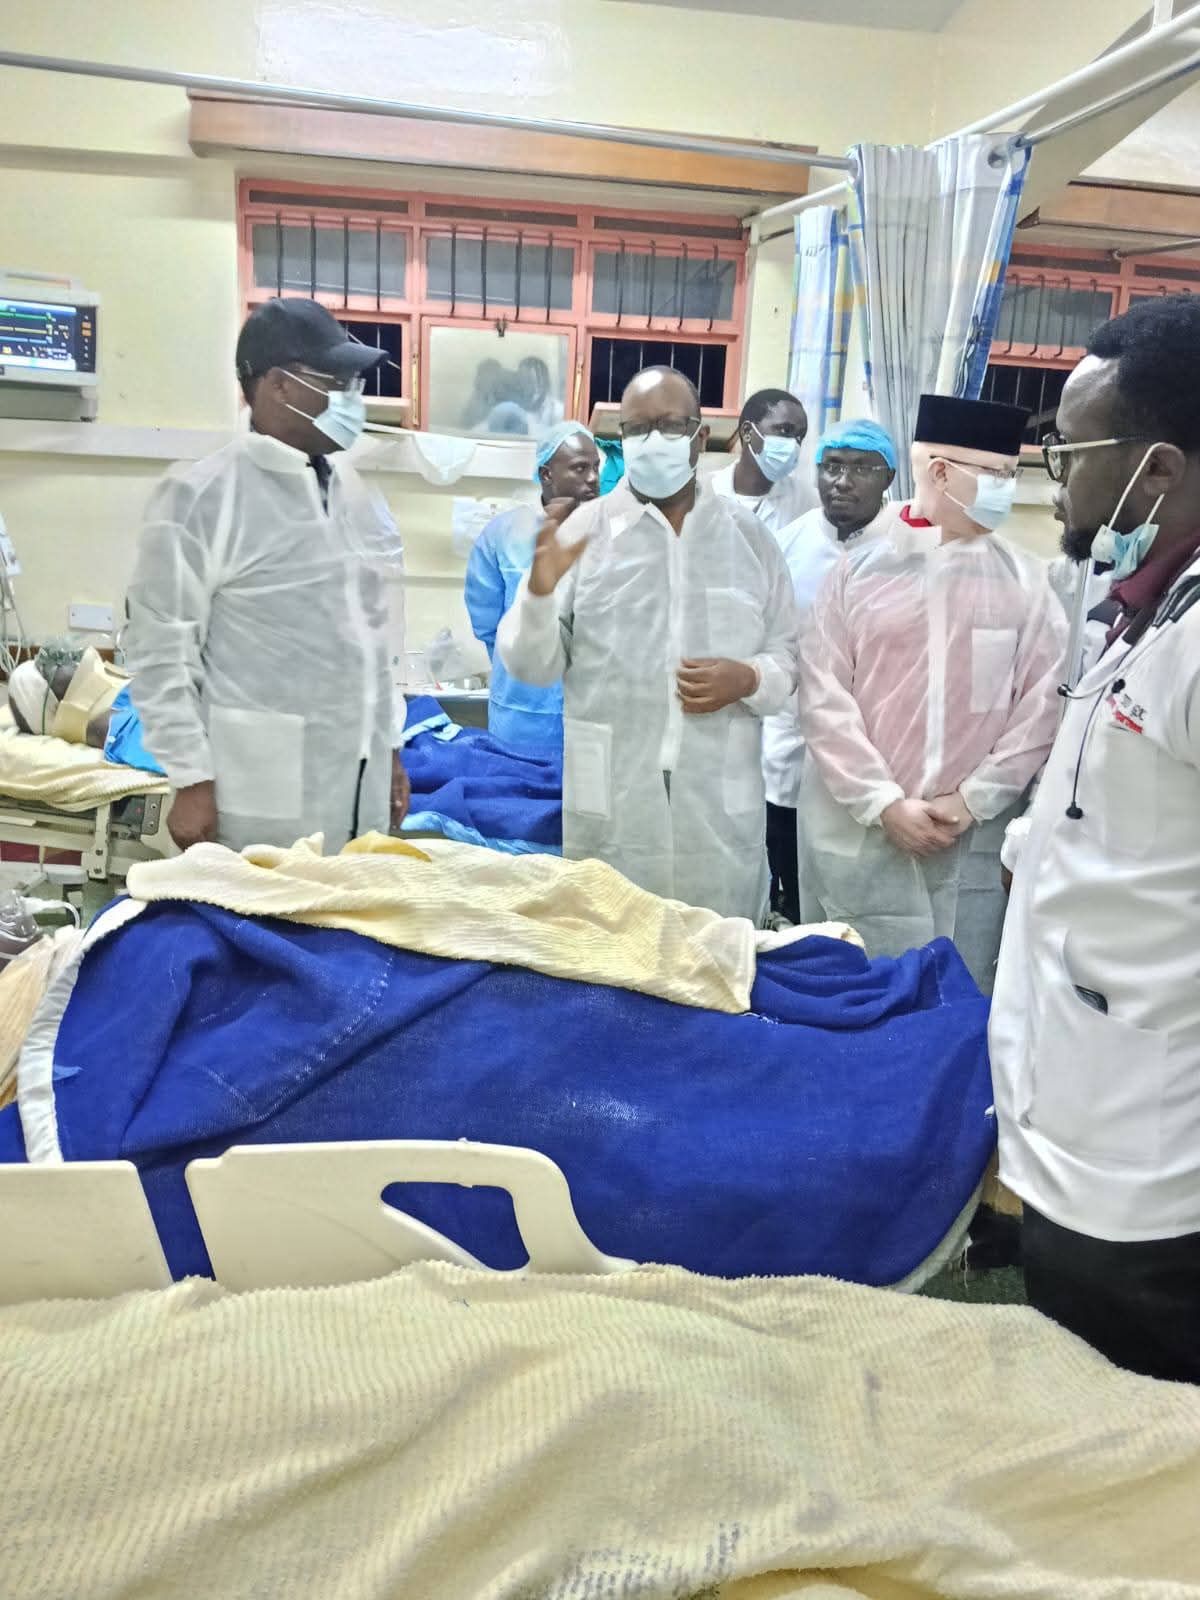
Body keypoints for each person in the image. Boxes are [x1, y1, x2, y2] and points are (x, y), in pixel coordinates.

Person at [990, 296, 1200, 1384]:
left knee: (1144, 1433)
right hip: (1085, 1108)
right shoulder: (1149, 603)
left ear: (1155, 470)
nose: (1055, 477)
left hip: (1152, 1155)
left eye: (1070, 453)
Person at [497, 366, 799, 922]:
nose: (652, 441)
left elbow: (790, 655)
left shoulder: (750, 540)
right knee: (612, 950)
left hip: (718, 812)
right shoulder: (581, 533)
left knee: (716, 953)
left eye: (669, 425)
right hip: (615, 803)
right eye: (636, 429)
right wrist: (537, 593)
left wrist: (750, 678)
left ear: (700, 437)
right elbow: (531, 667)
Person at [796, 394, 1066, 990]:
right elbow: (822, 699)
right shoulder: (858, 573)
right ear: (940, 471)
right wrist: (883, 803)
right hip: (860, 835)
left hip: (967, 837)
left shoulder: (1026, 582)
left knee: (955, 997)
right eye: (995, 474)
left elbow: (1042, 704)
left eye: (1010, 474)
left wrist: (974, 798)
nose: (1006, 488)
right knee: (854, 992)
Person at [126, 297, 409, 853]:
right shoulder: (202, 496)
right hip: (261, 790)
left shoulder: (357, 495)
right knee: (268, 905)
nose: (352, 399)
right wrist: (190, 777)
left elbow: (378, 643)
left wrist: (392, 751)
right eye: (337, 382)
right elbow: (160, 652)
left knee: (350, 903)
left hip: (361, 780)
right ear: (279, 386)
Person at [760, 419, 898, 922]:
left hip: (875, 750)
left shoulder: (910, 545)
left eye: (862, 468)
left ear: (889, 477)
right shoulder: (786, 544)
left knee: (862, 888)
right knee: (791, 881)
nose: (842, 481)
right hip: (790, 743)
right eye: (832, 466)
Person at [465, 422, 601, 755]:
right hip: (521, 715)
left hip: (592, 715)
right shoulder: (504, 535)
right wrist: (520, 663)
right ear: (547, 474)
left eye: (596, 467)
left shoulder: (609, 534)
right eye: (580, 468)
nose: (593, 478)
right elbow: (487, 623)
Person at [711, 387, 817, 536]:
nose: (794, 444)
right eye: (785, 431)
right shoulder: (707, 492)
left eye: (800, 436)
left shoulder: (807, 501)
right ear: (747, 432)